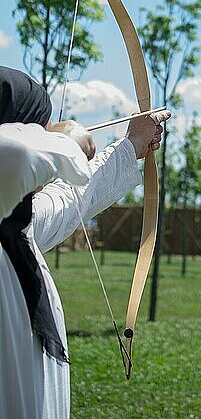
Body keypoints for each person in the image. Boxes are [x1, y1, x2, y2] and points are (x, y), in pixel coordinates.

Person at [0, 66, 171, 419]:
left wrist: (131, 145)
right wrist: (67, 139)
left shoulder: (17, 232)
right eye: (36, 128)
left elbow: (74, 196)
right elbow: (17, 158)